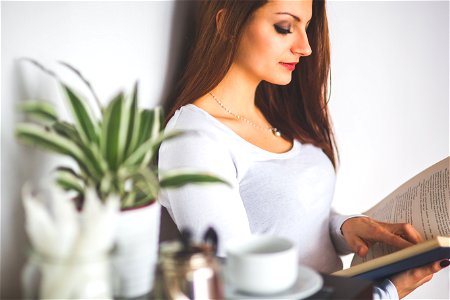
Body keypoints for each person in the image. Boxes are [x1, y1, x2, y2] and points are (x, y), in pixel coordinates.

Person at [158, 0, 449, 299]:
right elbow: (235, 286)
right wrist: (385, 293)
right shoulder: (195, 139)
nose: (306, 47)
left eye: (306, 28)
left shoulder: (272, 114)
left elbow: (283, 218)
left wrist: (344, 227)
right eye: (285, 27)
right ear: (226, 23)